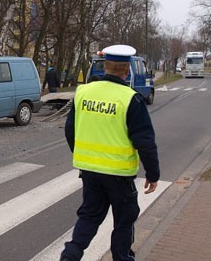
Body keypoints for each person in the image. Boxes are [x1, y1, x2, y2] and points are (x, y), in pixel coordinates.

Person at [60, 45, 160, 261]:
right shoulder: (130, 99)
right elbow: (145, 141)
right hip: (119, 175)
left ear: (105, 68)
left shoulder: (83, 92)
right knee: (124, 221)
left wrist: (83, 156)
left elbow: (70, 130)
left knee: (89, 216)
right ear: (127, 70)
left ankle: (70, 254)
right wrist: (153, 174)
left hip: (89, 171)